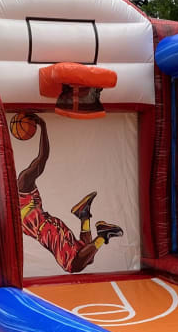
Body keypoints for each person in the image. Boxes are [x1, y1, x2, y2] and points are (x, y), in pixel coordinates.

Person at [16, 113, 122, 273]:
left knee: (73, 265)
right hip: (51, 226)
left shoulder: (23, 184)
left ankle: (103, 234)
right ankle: (84, 215)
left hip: (48, 232)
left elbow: (42, 157)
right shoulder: (21, 194)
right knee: (88, 256)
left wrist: (43, 126)